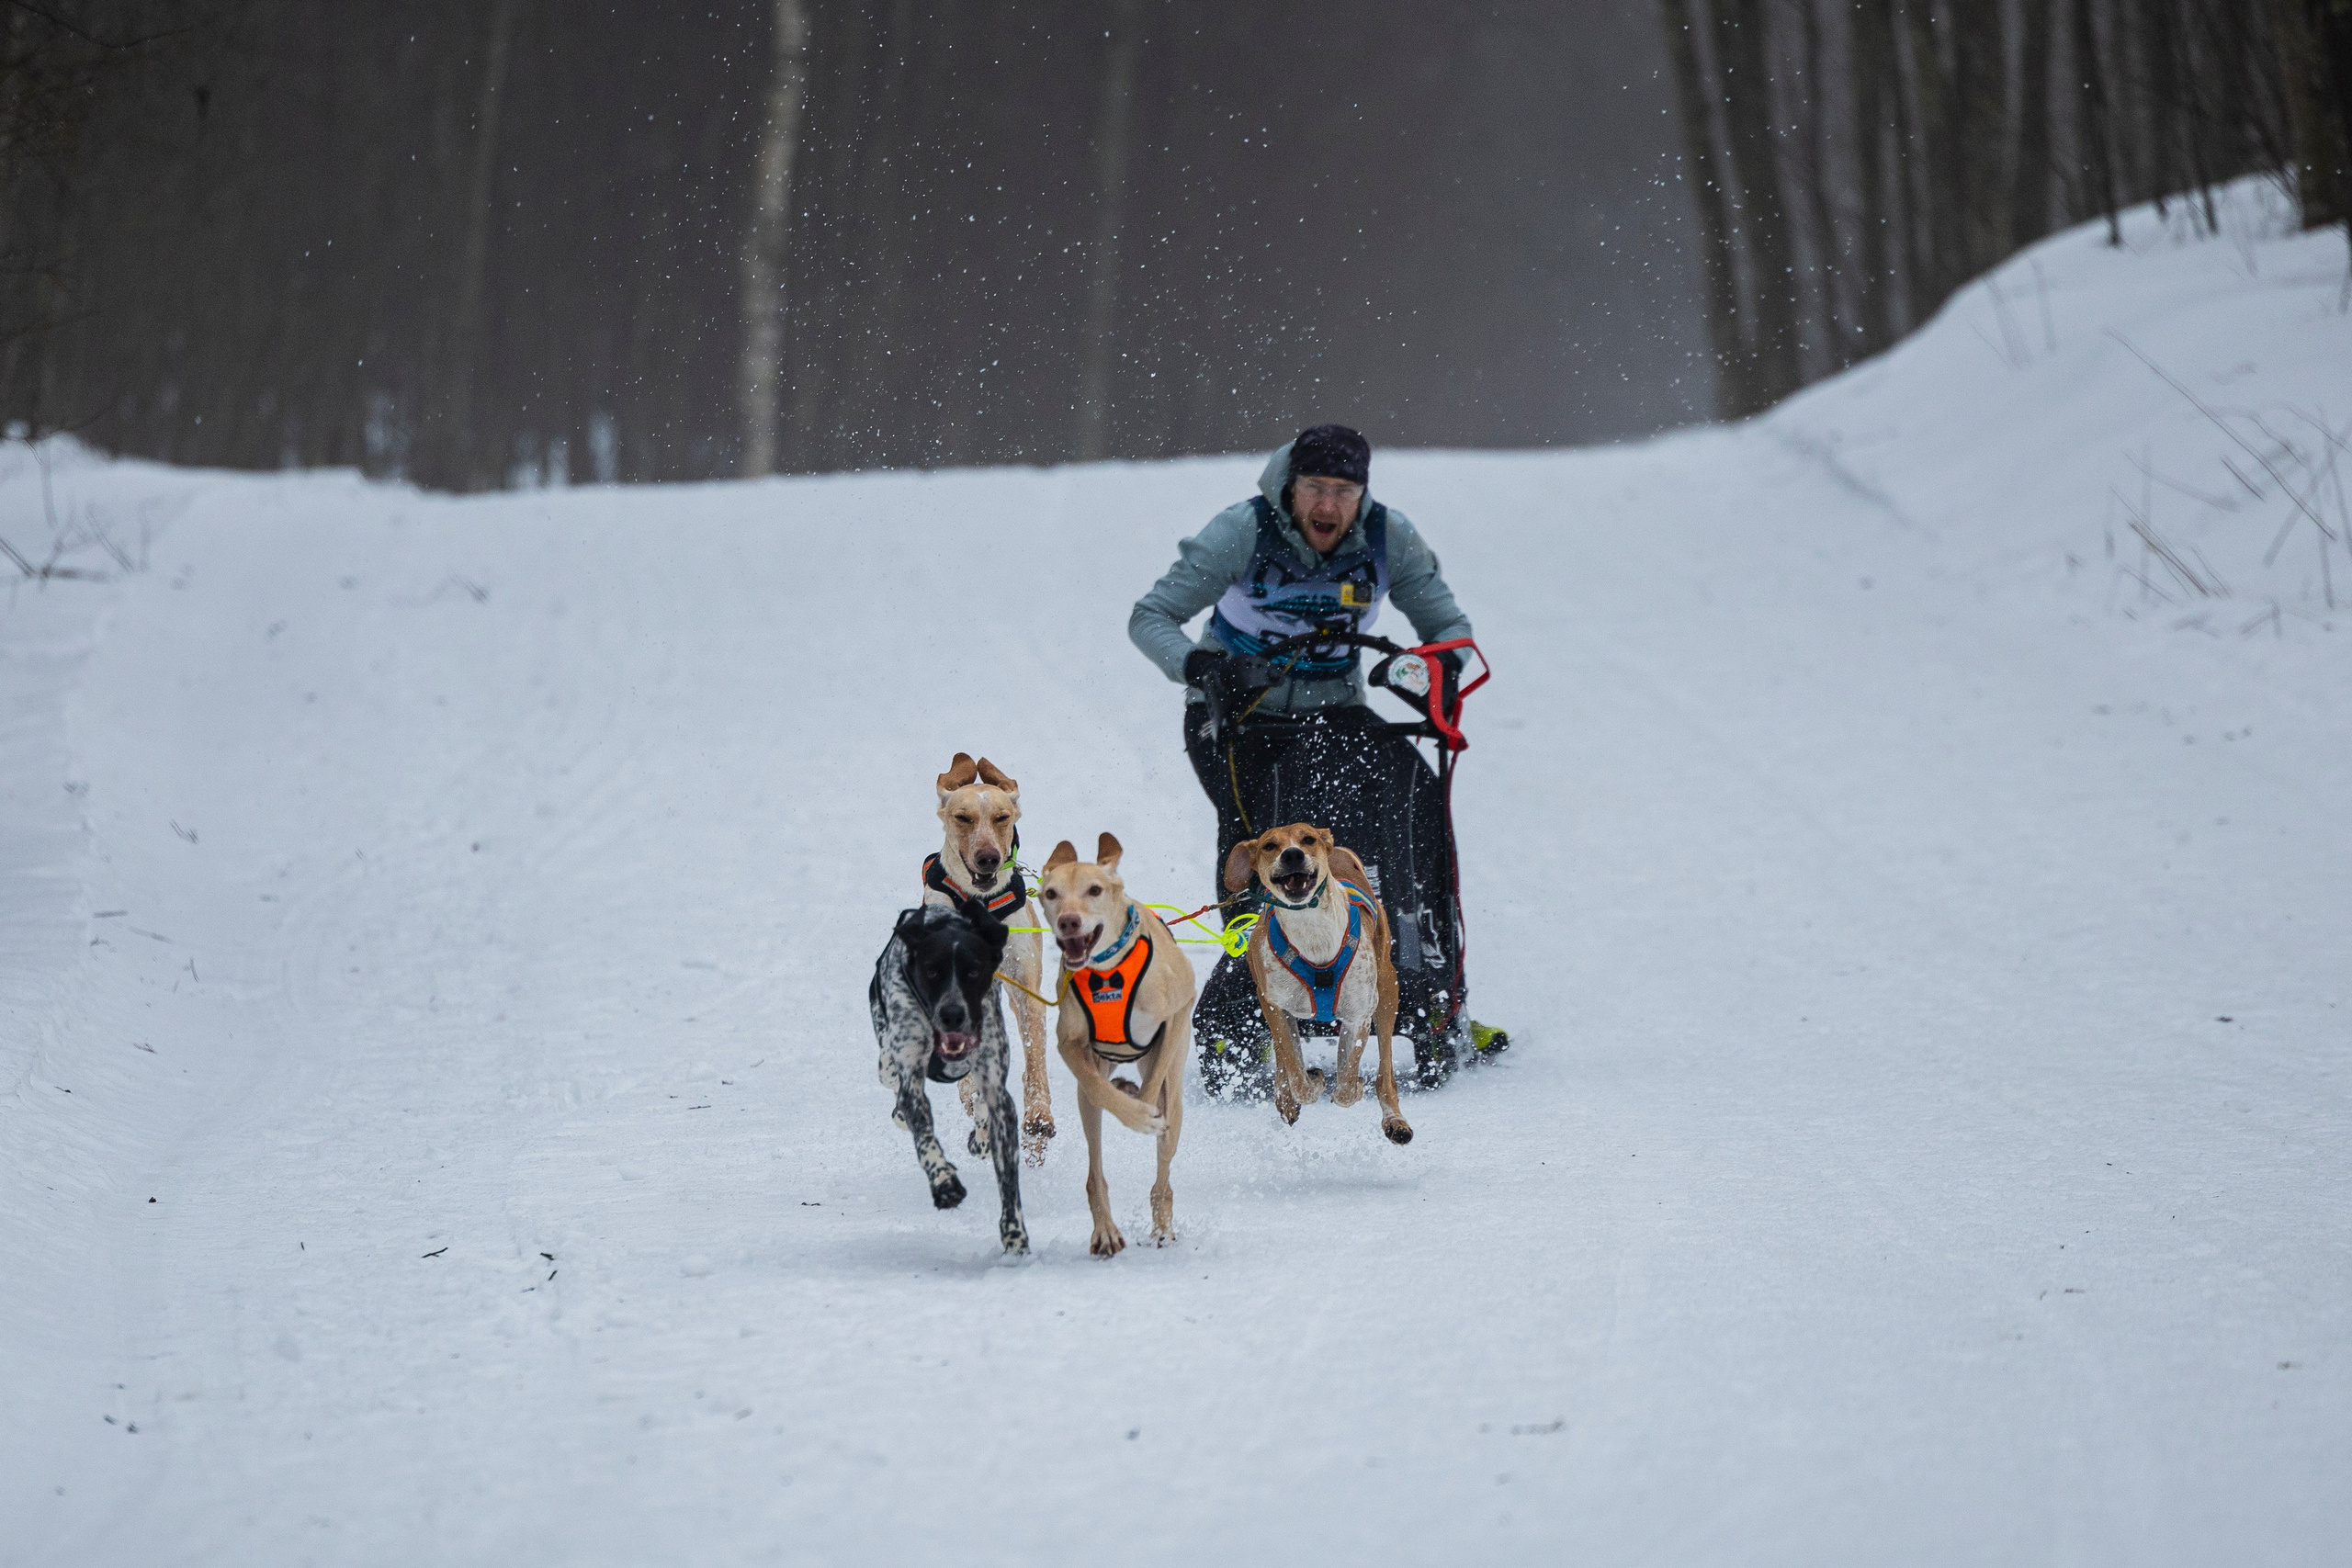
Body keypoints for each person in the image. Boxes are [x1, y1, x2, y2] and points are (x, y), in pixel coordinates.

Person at [1129, 423, 1501, 1094]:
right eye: (1315, 490)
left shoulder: (1389, 536)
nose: (1328, 507)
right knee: (1269, 835)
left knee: (1411, 795)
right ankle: (1240, 1010)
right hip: (1239, 716)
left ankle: (1430, 987)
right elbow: (1151, 616)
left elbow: (1447, 627)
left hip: (1336, 706)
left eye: (1343, 491)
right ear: (1289, 488)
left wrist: (1434, 669)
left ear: (1362, 494)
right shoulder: (1241, 531)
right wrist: (1202, 664)